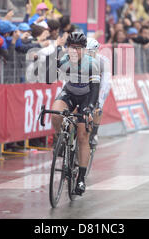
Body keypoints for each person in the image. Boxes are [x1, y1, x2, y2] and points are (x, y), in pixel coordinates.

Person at [50, 32, 100, 196]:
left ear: (84, 50)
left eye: (78, 48)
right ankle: (60, 139)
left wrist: (89, 108)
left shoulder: (92, 64)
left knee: (83, 135)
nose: (75, 51)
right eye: (72, 48)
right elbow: (49, 76)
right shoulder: (65, 60)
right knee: (56, 113)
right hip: (70, 94)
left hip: (87, 97)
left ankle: (81, 178)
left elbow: (95, 90)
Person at [85, 38, 112, 149]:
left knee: (97, 107)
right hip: (83, 86)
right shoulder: (79, 59)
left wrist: (99, 103)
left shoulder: (103, 61)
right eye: (86, 51)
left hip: (98, 87)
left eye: (90, 52)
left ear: (96, 51)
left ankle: (94, 132)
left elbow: (105, 84)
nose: (88, 54)